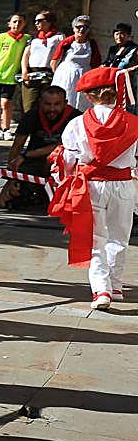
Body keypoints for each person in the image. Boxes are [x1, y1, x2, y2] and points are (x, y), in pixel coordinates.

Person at [48, 66, 137, 310]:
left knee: (96, 238)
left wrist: (62, 176)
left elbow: (68, 159)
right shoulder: (134, 123)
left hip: (92, 186)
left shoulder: (77, 124)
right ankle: (116, 285)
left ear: (89, 95)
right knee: (120, 236)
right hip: (123, 184)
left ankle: (101, 290)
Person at [2, 84, 74, 212]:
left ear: (65, 103)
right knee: (7, 200)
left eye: (57, 104)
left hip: (64, 164)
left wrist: (26, 155)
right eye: (47, 104)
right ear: (40, 102)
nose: (52, 109)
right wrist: (11, 178)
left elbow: (62, 146)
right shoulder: (32, 115)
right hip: (34, 163)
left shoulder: (75, 118)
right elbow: (17, 146)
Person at [0, 12, 30, 137]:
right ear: (9, 24)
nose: (17, 24)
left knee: (6, 102)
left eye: (20, 22)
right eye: (15, 21)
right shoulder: (1, 37)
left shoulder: (26, 39)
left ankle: (6, 128)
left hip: (11, 77)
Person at [51, 16, 100, 110]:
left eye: (85, 27)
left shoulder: (92, 44)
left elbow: (96, 63)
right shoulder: (67, 43)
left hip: (84, 76)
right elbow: (54, 61)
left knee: (81, 103)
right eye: (78, 27)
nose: (81, 30)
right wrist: (59, 75)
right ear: (73, 28)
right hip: (66, 76)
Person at [22, 11, 62, 96]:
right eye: (35, 21)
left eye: (39, 20)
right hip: (32, 72)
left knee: (47, 101)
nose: (36, 23)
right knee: (30, 103)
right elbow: (25, 55)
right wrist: (24, 71)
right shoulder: (33, 38)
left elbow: (62, 54)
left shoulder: (59, 37)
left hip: (49, 73)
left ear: (49, 21)